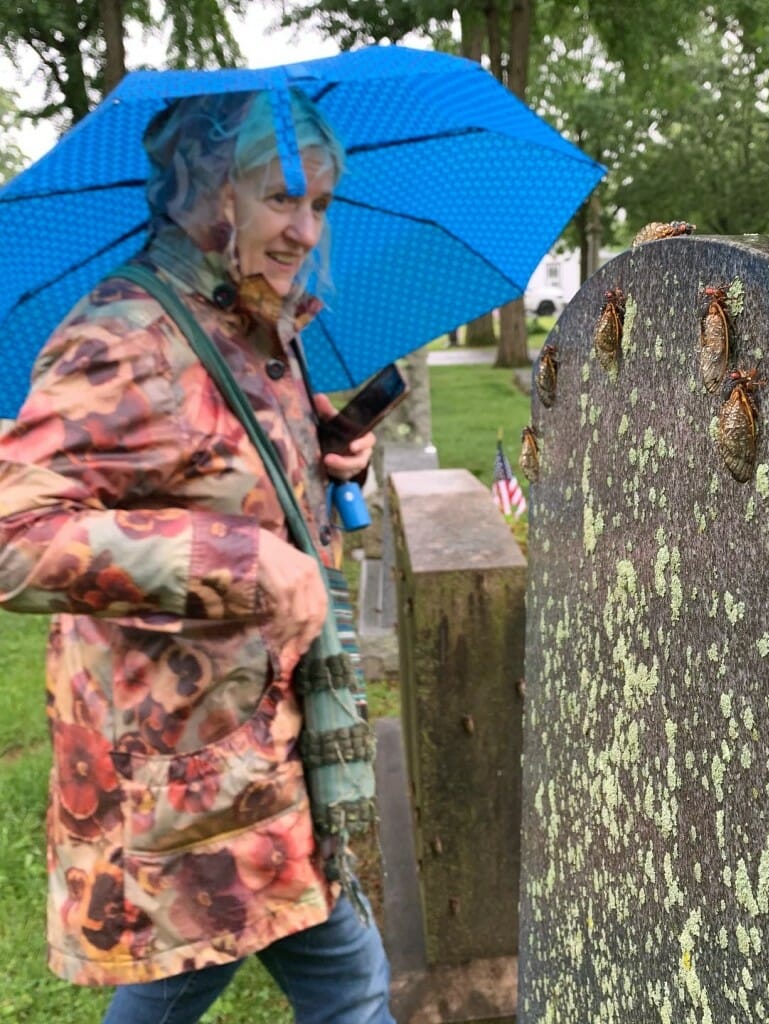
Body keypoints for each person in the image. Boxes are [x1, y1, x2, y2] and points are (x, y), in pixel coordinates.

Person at [0, 88, 395, 1024]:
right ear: (212, 192)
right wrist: (241, 561)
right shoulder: (126, 336)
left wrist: (325, 443)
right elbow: (16, 536)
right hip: (183, 763)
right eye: (281, 198)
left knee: (326, 975)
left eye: (321, 205)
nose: (304, 230)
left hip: (250, 742)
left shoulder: (249, 319)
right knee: (312, 977)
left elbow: (214, 462)